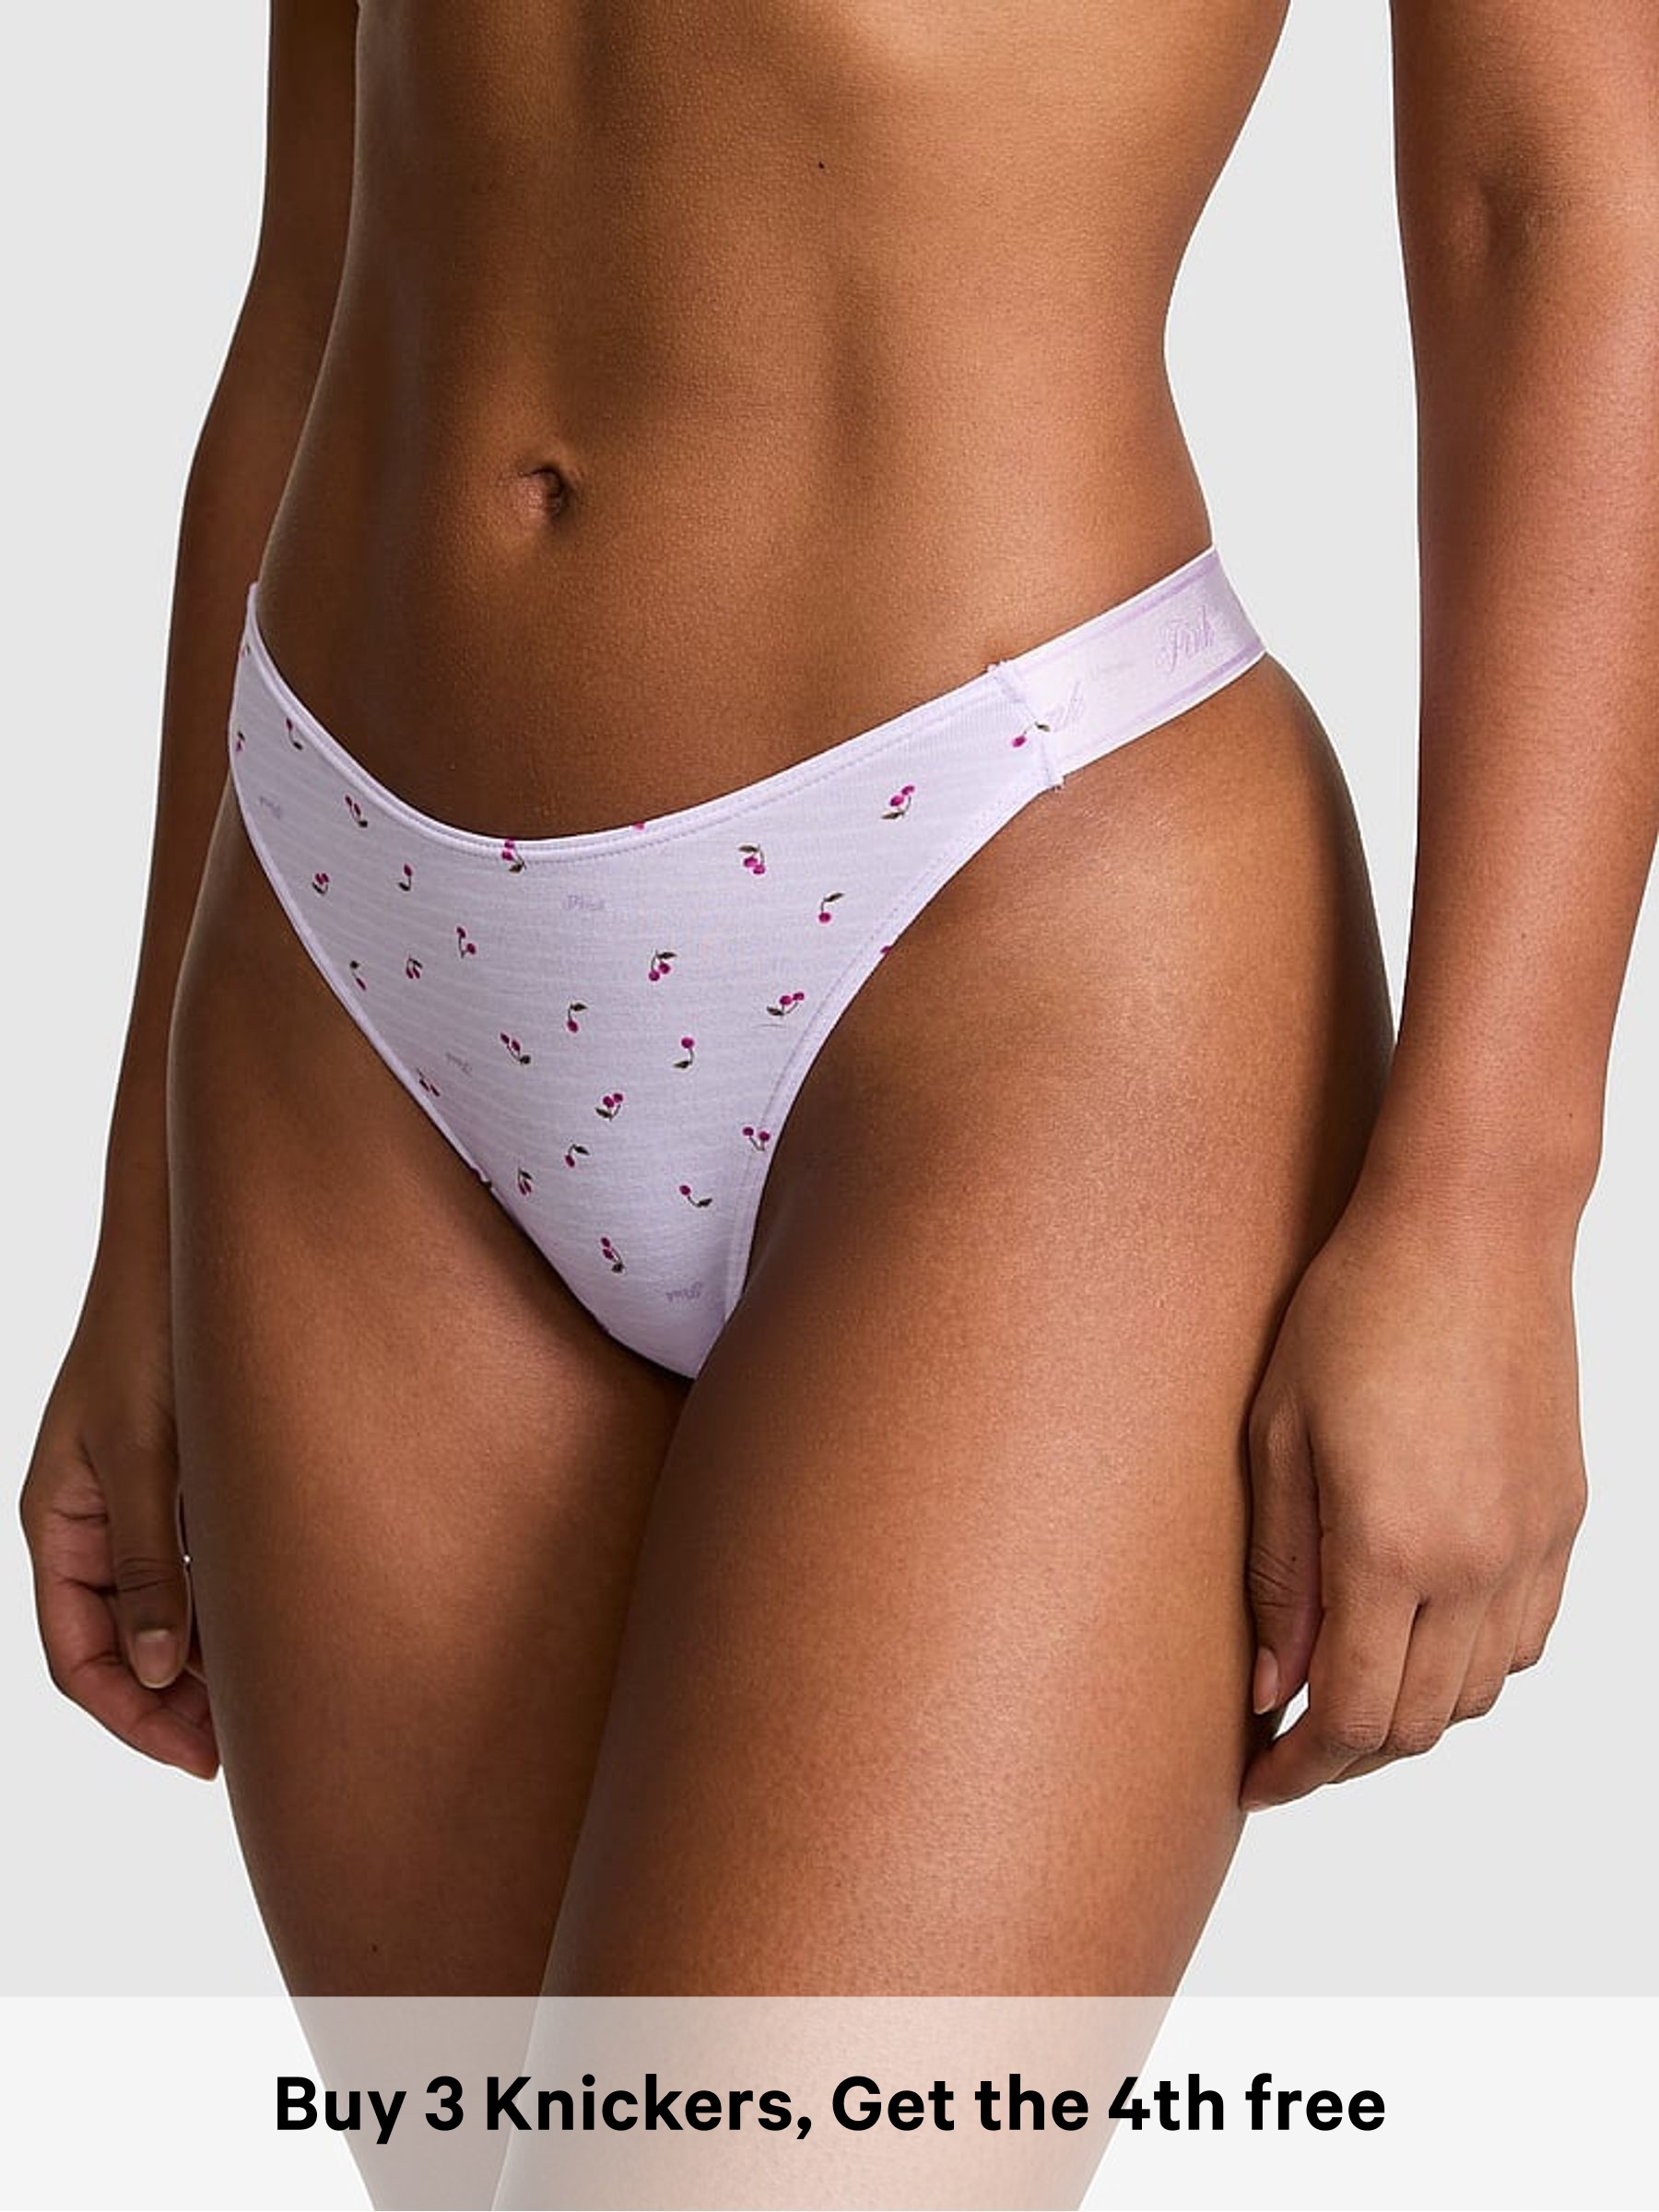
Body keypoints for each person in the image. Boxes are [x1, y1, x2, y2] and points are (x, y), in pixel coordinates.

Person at [19, 0, 1655, 2068]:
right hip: (342, 970)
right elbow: (324, 237)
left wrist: (1496, 1201)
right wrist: (141, 1207)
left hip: (1009, 941)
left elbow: (1558, 201)